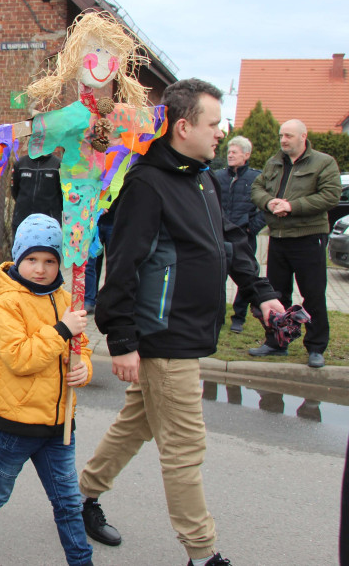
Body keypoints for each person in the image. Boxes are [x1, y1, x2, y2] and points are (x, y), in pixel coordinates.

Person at [79, 79, 284, 566]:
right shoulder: (148, 184)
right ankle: (203, 554)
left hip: (186, 334)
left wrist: (264, 296)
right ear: (183, 126)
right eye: (214, 124)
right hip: (163, 337)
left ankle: (80, 495)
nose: (221, 134)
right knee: (185, 448)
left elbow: (231, 243)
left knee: (136, 424)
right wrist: (122, 338)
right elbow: (122, 265)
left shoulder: (202, 177)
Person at [0, 213, 93, 566]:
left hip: (59, 424)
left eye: (49, 260)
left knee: (67, 503)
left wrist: (84, 367)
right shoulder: (7, 304)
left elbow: (83, 346)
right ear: (17, 258)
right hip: (15, 424)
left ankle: (81, 560)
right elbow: (19, 358)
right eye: (31, 259)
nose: (40, 269)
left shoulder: (64, 299)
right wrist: (62, 330)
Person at [249, 119, 340, 368]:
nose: (283, 140)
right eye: (281, 135)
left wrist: (292, 206)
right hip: (278, 238)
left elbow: (331, 195)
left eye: (288, 135)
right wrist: (269, 202)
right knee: (277, 294)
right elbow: (257, 188)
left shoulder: (323, 162)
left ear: (303, 136)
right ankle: (277, 343)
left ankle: (316, 347)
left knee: (313, 294)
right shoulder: (274, 162)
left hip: (308, 237)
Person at [213, 136, 266, 333]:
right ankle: (216, 316)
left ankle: (239, 317)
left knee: (247, 275)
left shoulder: (257, 178)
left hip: (244, 236)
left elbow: (266, 207)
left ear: (246, 155)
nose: (230, 155)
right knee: (217, 275)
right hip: (220, 235)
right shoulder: (218, 177)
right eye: (228, 152)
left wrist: (253, 227)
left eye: (234, 152)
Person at [10, 152, 63, 237]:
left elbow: (62, 195)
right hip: (22, 221)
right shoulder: (20, 164)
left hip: (49, 224)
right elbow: (14, 191)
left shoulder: (58, 165)